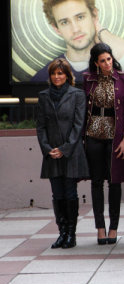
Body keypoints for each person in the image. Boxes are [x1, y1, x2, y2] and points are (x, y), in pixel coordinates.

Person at [32, 0, 124, 83]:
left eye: (80, 17)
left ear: (94, 15)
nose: (75, 29)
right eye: (64, 22)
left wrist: (102, 32)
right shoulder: (44, 77)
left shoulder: (117, 63)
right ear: (56, 28)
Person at [83, 43, 124, 245]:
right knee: (96, 182)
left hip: (116, 135)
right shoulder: (88, 79)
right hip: (93, 133)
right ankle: (100, 228)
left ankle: (113, 228)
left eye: (109, 59)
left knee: (114, 181)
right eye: (102, 60)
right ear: (96, 62)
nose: (106, 63)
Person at [36, 58, 89, 249]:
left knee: (70, 193)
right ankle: (62, 232)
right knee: (57, 194)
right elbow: (40, 127)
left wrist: (65, 149)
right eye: (54, 73)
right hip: (51, 154)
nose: (57, 77)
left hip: (71, 153)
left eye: (60, 73)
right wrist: (48, 149)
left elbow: (78, 125)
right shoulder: (43, 96)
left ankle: (71, 235)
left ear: (67, 75)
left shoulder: (77, 95)